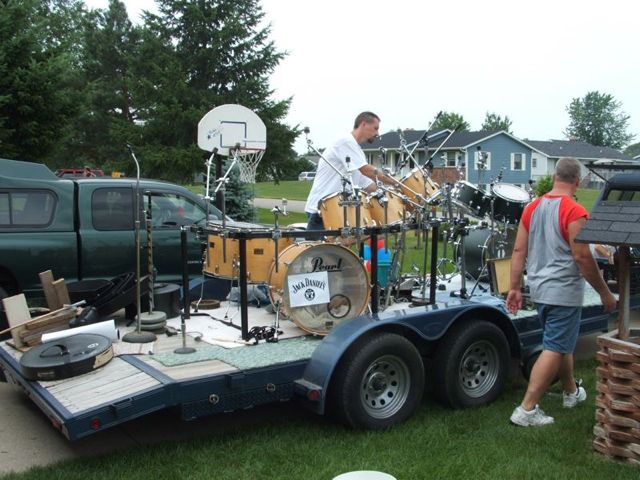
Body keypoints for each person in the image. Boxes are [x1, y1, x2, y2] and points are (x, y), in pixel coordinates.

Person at [506, 157, 616, 427]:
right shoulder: (574, 211)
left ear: (555, 177)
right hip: (563, 291)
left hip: (540, 289)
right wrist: (604, 292)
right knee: (555, 346)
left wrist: (515, 287)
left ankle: (570, 392)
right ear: (577, 181)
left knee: (562, 341)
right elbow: (582, 257)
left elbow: (519, 250)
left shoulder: (532, 207)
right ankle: (527, 410)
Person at [304, 111, 397, 232]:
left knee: (339, 249)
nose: (377, 133)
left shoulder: (356, 152)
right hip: (322, 210)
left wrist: (392, 193)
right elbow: (367, 170)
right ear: (363, 124)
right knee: (321, 251)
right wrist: (396, 183)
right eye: (375, 128)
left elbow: (368, 185)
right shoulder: (346, 141)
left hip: (336, 210)